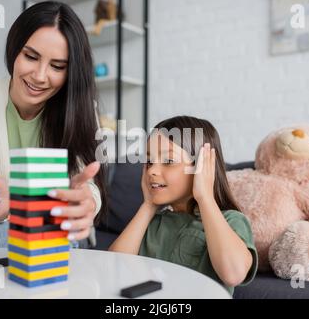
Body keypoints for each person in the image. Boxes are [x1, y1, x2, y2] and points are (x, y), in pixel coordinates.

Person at [0, 1, 107, 249]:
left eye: (57, 66)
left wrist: (88, 200)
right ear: (14, 49)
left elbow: (87, 183)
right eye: (31, 57)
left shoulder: (82, 108)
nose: (39, 76)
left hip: (57, 226)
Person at [109, 116, 258, 295]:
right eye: (149, 162)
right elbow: (113, 266)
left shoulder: (231, 220)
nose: (152, 171)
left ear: (201, 168)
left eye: (168, 161)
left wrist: (205, 198)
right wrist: (148, 205)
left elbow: (233, 274)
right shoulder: (153, 222)